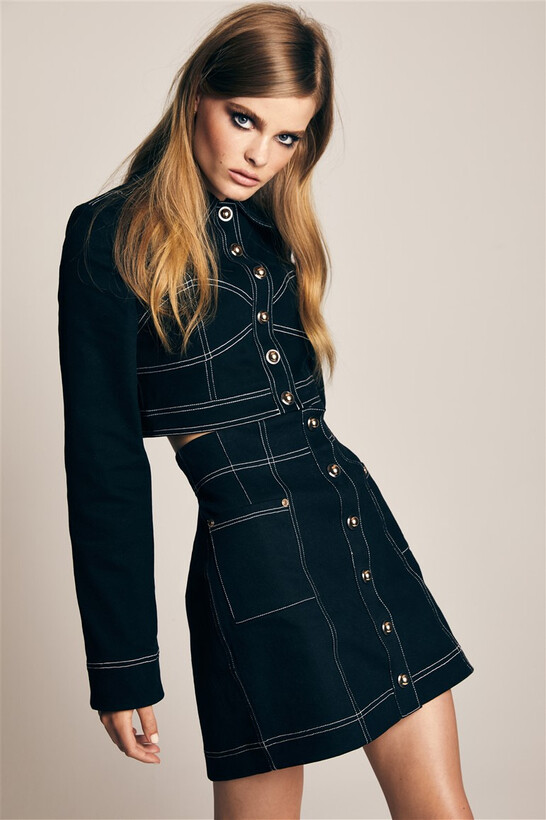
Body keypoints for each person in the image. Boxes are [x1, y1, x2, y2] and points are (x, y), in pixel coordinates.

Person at [57, 2, 476, 817]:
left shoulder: (271, 232)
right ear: (198, 95)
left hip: (356, 530)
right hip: (257, 568)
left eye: (287, 137)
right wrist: (122, 663)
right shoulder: (110, 235)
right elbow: (104, 462)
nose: (260, 154)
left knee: (442, 806)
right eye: (244, 119)